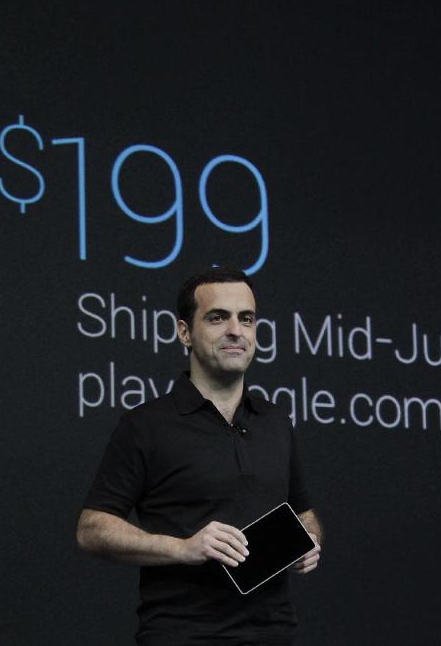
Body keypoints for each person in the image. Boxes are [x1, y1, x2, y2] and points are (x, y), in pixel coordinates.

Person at [77, 267, 322, 645]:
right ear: (184, 332)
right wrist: (182, 547)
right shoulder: (146, 425)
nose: (236, 331)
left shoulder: (275, 421)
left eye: (247, 319)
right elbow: (92, 528)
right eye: (217, 317)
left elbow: (304, 513)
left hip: (274, 634)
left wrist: (307, 540)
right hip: (183, 634)